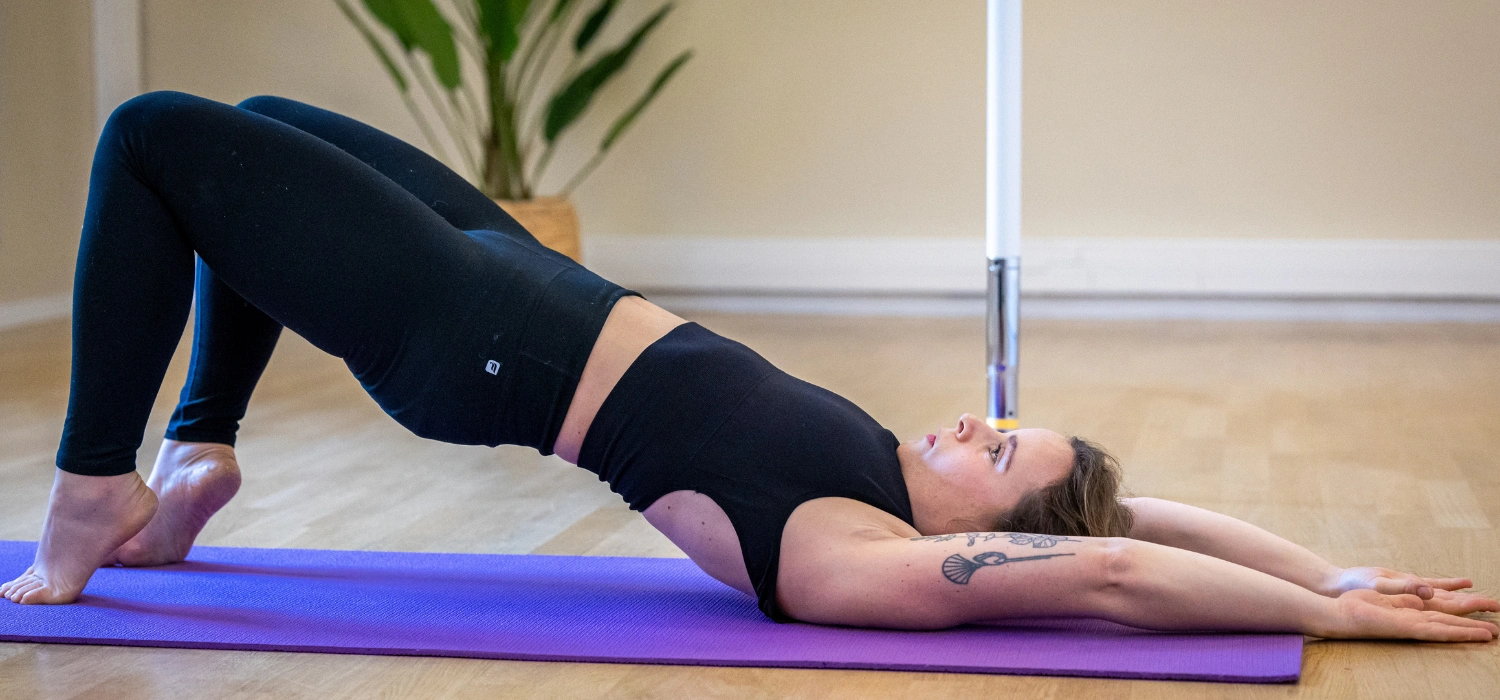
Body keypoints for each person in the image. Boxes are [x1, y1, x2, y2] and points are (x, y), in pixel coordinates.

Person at [2, 92, 1495, 643]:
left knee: (154, 142)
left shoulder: (857, 556)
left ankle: (89, 500)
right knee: (264, 125)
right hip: (535, 282)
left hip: (484, 340)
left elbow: (1100, 579)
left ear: (970, 534)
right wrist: (1337, 576)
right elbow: (1133, 528)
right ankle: (196, 452)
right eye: (1008, 423)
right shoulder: (909, 491)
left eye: (997, 454)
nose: (981, 425)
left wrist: (1349, 636)